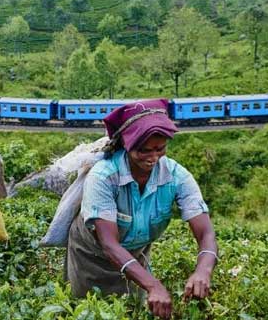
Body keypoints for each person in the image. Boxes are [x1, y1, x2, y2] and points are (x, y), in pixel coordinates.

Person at [67, 99, 217, 319]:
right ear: (127, 146)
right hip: (92, 257)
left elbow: (206, 233)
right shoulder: (103, 177)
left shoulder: (177, 176)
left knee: (132, 309)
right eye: (144, 150)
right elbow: (109, 243)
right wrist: (154, 285)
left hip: (135, 255)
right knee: (90, 310)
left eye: (160, 149)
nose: (153, 157)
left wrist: (203, 271)